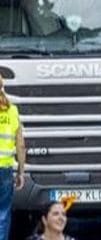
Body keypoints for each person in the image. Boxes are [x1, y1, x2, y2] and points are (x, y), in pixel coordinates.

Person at [0, 76, 22, 240]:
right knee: (3, 213)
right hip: (5, 169)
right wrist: (21, 171)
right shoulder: (12, 110)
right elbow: (20, 145)